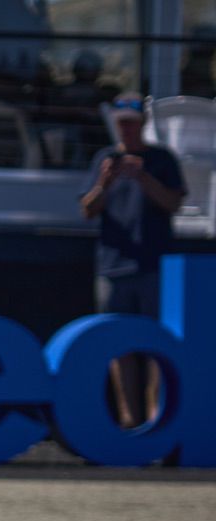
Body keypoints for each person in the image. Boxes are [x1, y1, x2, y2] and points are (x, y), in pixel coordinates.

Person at [81, 96, 187, 426]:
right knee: (118, 344)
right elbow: (88, 210)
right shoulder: (105, 160)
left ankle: (156, 418)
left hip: (154, 266)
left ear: (143, 125)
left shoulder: (161, 160)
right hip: (113, 266)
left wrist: (143, 178)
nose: (126, 129)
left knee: (156, 344)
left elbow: (173, 203)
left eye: (132, 123)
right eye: (122, 123)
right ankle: (129, 419)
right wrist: (105, 182)